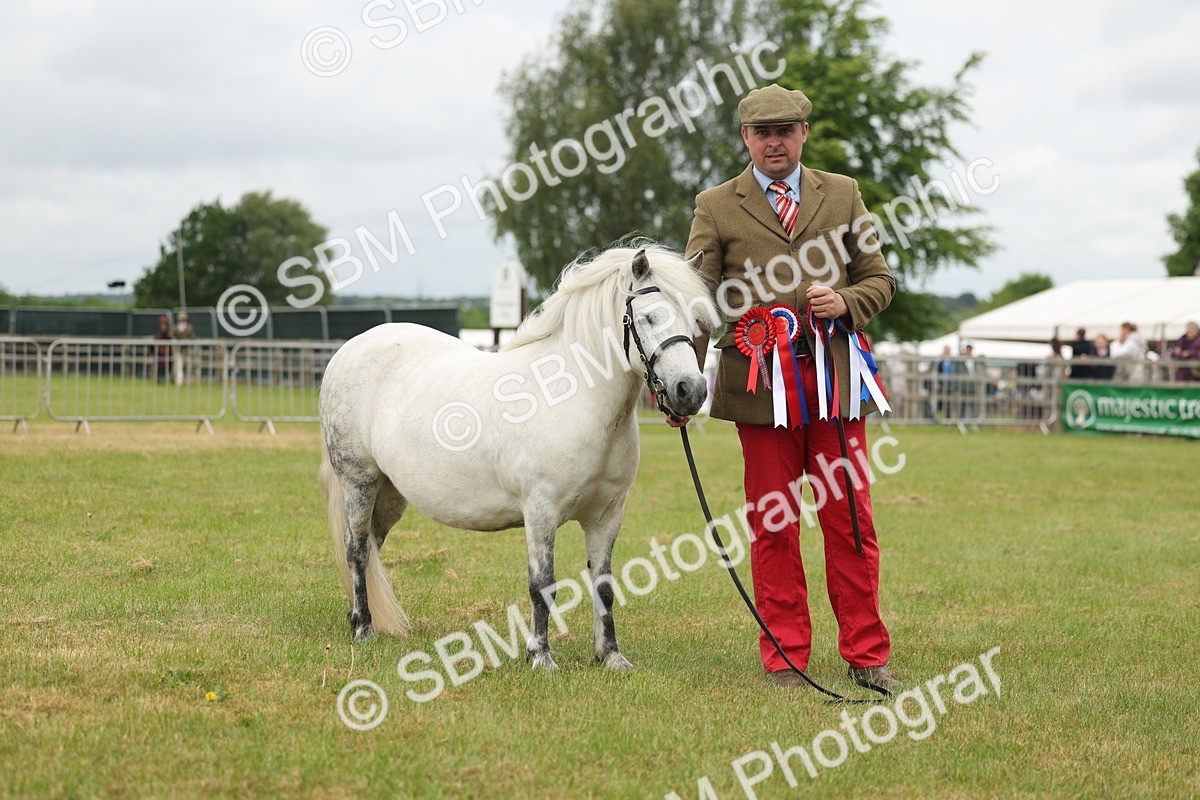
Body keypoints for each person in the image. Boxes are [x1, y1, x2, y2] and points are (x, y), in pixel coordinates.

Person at [682, 83, 898, 692]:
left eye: (785, 129)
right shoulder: (715, 205)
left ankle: (867, 652)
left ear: (804, 133)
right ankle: (785, 656)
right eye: (762, 131)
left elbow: (879, 279)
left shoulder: (846, 194)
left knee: (850, 519)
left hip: (834, 380)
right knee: (773, 524)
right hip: (758, 388)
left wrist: (848, 300)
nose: (774, 141)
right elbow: (696, 302)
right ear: (746, 138)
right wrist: (682, 386)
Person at [172, 312, 197, 386]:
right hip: (179, 349)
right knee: (179, 366)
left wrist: (187, 341)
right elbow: (173, 337)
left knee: (189, 366)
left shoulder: (189, 327)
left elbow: (193, 337)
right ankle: (179, 381)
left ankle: (188, 381)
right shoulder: (175, 328)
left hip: (188, 349)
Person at [153, 314, 173, 382]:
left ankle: (169, 378)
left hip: (167, 352)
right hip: (160, 352)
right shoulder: (158, 336)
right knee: (159, 364)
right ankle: (158, 379)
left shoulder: (169, 335)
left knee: (169, 364)